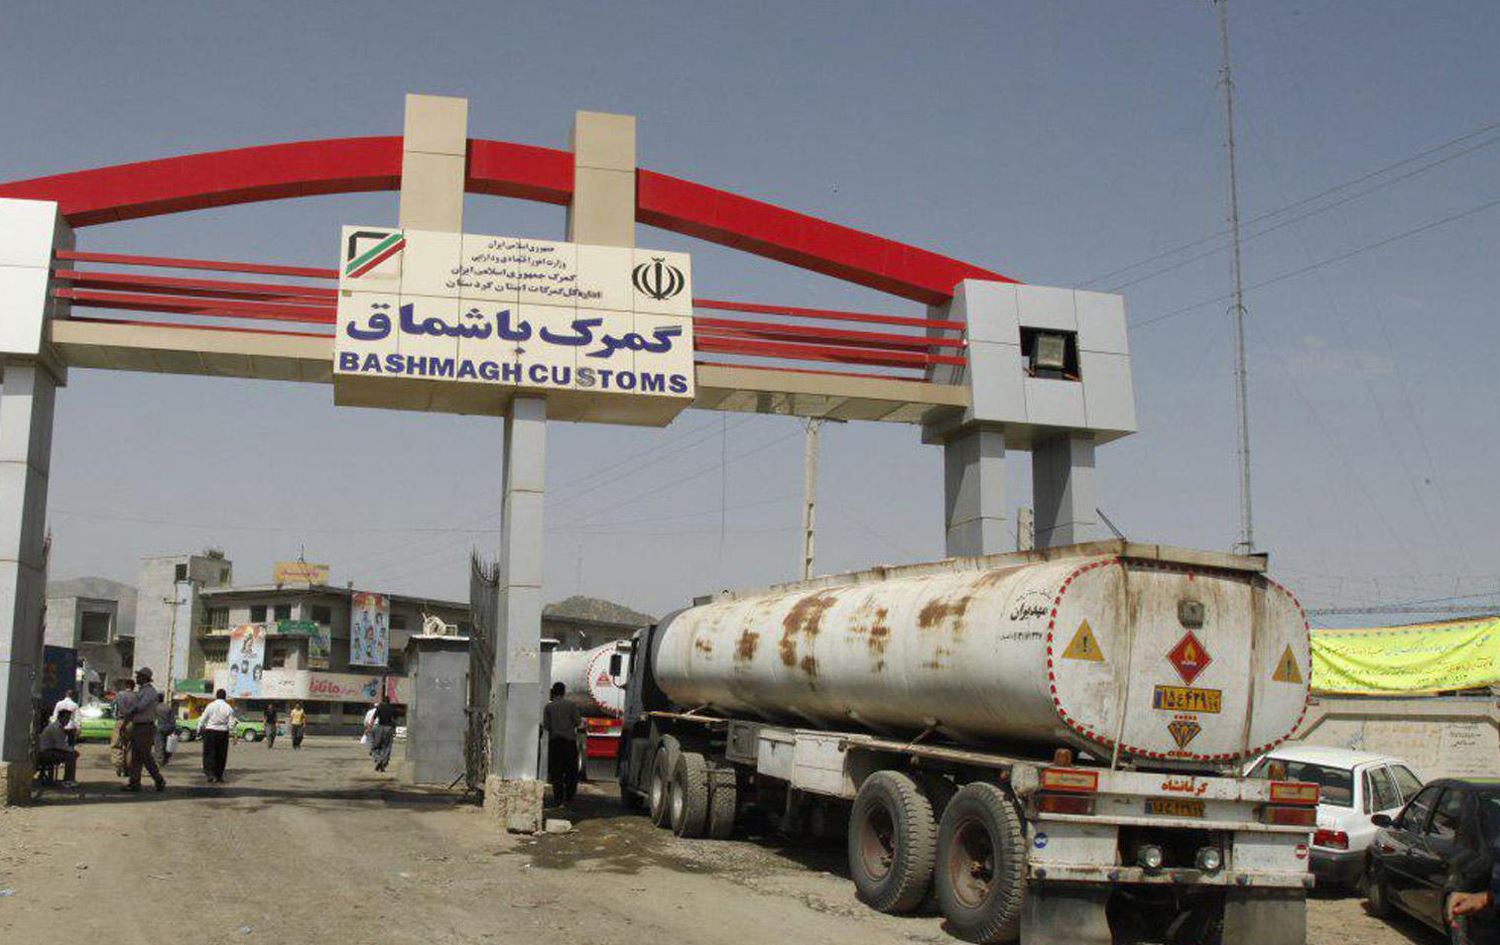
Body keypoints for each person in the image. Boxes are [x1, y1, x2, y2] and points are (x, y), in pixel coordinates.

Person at [121, 668, 166, 793]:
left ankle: (158, 779)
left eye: (139, 676)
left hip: (145, 726)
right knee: (136, 756)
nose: (136, 678)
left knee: (145, 755)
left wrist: (128, 712)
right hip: (138, 725)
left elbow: (139, 707)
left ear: (144, 678)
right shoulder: (142, 691)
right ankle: (134, 782)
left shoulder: (149, 692)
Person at [542, 682, 583, 805]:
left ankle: (558, 798)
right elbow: (578, 722)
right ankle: (570, 796)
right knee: (571, 771)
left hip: (555, 742)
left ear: (553, 692)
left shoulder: (549, 707)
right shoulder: (571, 705)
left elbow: (546, 725)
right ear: (564, 692)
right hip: (569, 742)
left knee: (556, 772)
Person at [197, 688, 237, 784]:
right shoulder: (228, 707)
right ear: (225, 697)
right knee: (221, 754)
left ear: (216, 696)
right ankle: (219, 775)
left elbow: (203, 718)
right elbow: (232, 723)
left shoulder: (210, 706)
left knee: (209, 753)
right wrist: (234, 735)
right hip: (223, 732)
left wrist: (198, 730)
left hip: (210, 731)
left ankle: (210, 774)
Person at [37, 709, 79, 787]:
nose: (67, 720)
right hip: (46, 753)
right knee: (71, 756)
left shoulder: (59, 727)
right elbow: (61, 745)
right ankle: (68, 780)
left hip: (50, 750)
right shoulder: (55, 728)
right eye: (66, 718)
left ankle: (68, 779)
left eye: (68, 718)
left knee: (72, 754)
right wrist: (71, 750)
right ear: (60, 717)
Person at [109, 678, 136, 777]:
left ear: (125, 686)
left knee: (117, 744)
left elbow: (113, 707)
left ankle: (119, 765)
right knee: (130, 745)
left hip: (121, 721)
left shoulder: (119, 695)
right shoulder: (136, 696)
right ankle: (128, 767)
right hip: (133, 723)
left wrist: (115, 717)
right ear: (133, 686)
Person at [369, 694, 398, 772]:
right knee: (387, 747)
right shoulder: (392, 708)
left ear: (382, 701)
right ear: (389, 701)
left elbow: (373, 718)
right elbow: (394, 720)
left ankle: (378, 760)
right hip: (389, 728)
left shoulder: (379, 707)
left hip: (380, 727)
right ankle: (384, 762)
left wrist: (369, 727)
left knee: (376, 746)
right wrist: (394, 730)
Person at [154, 692, 176, 765]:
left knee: (159, 744)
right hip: (169, 728)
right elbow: (173, 719)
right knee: (168, 744)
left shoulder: (155, 707)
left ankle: (160, 760)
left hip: (159, 727)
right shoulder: (168, 707)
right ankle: (166, 759)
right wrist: (173, 728)